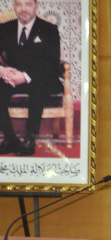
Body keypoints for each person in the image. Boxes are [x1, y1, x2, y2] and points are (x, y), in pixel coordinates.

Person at [0, 0, 61, 156]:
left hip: (40, 77)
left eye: (28, 4)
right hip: (13, 77)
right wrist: (2, 71)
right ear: (14, 6)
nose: (23, 9)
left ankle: (30, 137)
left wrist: (25, 76)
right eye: (19, 4)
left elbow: (52, 63)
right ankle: (10, 137)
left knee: (38, 85)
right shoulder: (5, 28)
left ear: (36, 6)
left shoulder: (49, 30)